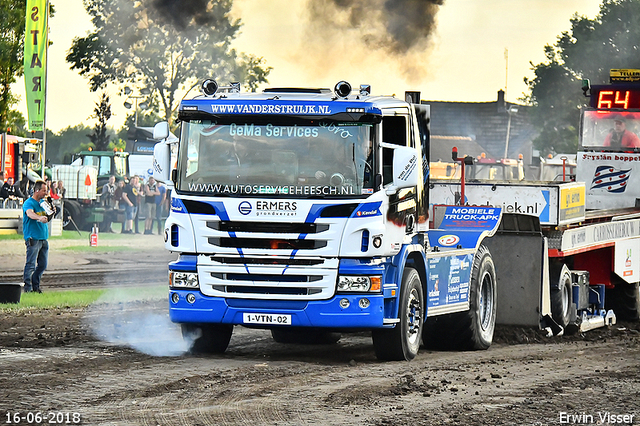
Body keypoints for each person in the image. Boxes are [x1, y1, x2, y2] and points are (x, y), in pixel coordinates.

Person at [22, 180, 50, 293]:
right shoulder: (29, 203)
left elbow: (49, 214)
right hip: (33, 238)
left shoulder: (43, 203)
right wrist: (39, 218)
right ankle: (27, 288)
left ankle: (36, 286)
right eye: (44, 191)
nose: (46, 193)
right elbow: (29, 213)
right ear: (37, 190)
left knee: (43, 264)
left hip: (43, 238)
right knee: (31, 264)